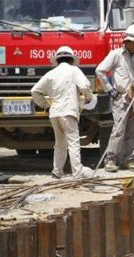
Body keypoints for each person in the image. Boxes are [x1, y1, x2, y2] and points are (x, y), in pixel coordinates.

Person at [31, 46, 94, 179]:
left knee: (60, 144)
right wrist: (88, 98)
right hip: (68, 112)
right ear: (72, 60)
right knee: (73, 143)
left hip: (54, 113)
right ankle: (77, 173)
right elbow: (84, 86)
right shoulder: (74, 70)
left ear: (57, 60)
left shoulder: (51, 73)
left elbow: (35, 91)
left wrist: (45, 106)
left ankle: (57, 172)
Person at [96, 24, 134, 172]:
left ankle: (128, 160)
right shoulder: (116, 54)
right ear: (128, 41)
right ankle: (110, 160)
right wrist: (110, 89)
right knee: (118, 130)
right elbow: (100, 70)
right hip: (121, 98)